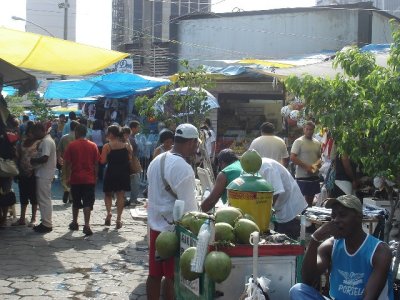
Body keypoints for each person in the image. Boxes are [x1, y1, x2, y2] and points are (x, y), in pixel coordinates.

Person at [290, 195, 393, 300]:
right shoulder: (329, 246)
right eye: (333, 216)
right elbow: (308, 280)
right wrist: (315, 239)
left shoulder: (380, 251)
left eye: (342, 215)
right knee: (298, 290)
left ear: (359, 217)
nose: (336, 220)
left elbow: (370, 297)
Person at [146, 123, 199, 300]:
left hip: (155, 228)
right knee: (171, 276)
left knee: (154, 273)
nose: (196, 148)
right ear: (191, 142)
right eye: (196, 144)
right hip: (172, 232)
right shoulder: (183, 168)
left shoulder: (156, 160)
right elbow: (190, 210)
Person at [259, 157, 308, 239]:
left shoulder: (267, 167)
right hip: (279, 208)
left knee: (287, 241)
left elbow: (276, 192)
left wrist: (267, 213)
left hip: (290, 208)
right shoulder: (248, 171)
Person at [64, 124, 100, 236]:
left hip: (75, 178)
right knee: (87, 202)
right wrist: (96, 176)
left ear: (77, 132)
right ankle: (87, 225)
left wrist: (67, 177)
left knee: (76, 201)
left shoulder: (72, 145)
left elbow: (67, 163)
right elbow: (96, 163)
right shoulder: (93, 145)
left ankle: (75, 222)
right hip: (89, 179)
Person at [100, 125, 131, 229]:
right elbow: (130, 158)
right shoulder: (126, 145)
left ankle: (109, 213)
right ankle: (118, 219)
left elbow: (103, 161)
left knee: (108, 194)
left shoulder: (107, 146)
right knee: (121, 195)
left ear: (111, 134)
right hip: (123, 173)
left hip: (111, 172)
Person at [30, 122, 57, 233]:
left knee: (44, 199)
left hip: (44, 174)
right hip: (44, 173)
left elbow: (44, 158)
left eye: (35, 132)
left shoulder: (46, 141)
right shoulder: (46, 140)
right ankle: (45, 222)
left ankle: (47, 224)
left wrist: (32, 160)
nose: (34, 135)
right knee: (44, 199)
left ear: (41, 130)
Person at [13, 122, 39, 227]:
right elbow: (17, 157)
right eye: (28, 133)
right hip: (22, 172)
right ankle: (22, 218)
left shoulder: (39, 143)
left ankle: (33, 218)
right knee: (23, 195)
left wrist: (34, 169)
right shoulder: (21, 142)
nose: (29, 135)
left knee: (33, 196)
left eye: (32, 133)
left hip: (34, 172)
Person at [290, 121, 321, 207]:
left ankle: (308, 218)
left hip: (314, 175)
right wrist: (306, 167)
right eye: (307, 129)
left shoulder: (317, 143)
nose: (308, 131)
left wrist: (314, 168)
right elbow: (292, 157)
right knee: (300, 201)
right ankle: (299, 218)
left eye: (310, 129)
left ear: (313, 130)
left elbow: (319, 158)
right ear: (303, 129)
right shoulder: (299, 141)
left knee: (310, 202)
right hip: (302, 176)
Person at [57, 120, 79, 204]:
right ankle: (71, 197)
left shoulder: (64, 137)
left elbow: (59, 149)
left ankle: (66, 189)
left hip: (66, 160)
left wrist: (59, 158)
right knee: (73, 178)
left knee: (64, 177)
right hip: (76, 160)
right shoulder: (78, 137)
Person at [127, 120, 142, 206]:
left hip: (133, 160)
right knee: (135, 181)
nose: (139, 129)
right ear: (133, 128)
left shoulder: (131, 138)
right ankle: (133, 200)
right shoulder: (130, 139)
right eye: (138, 127)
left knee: (135, 181)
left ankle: (133, 199)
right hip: (132, 161)